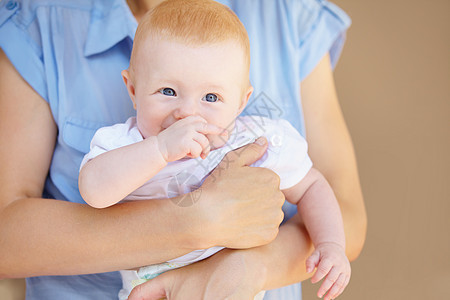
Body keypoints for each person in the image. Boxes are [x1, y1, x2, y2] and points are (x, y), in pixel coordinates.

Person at [0, 0, 367, 299]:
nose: (187, 112)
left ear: (242, 102)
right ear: (132, 88)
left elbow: (316, 187)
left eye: (211, 97)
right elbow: (94, 191)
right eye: (168, 92)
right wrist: (159, 151)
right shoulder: (127, 142)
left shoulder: (255, 139)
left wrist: (330, 244)